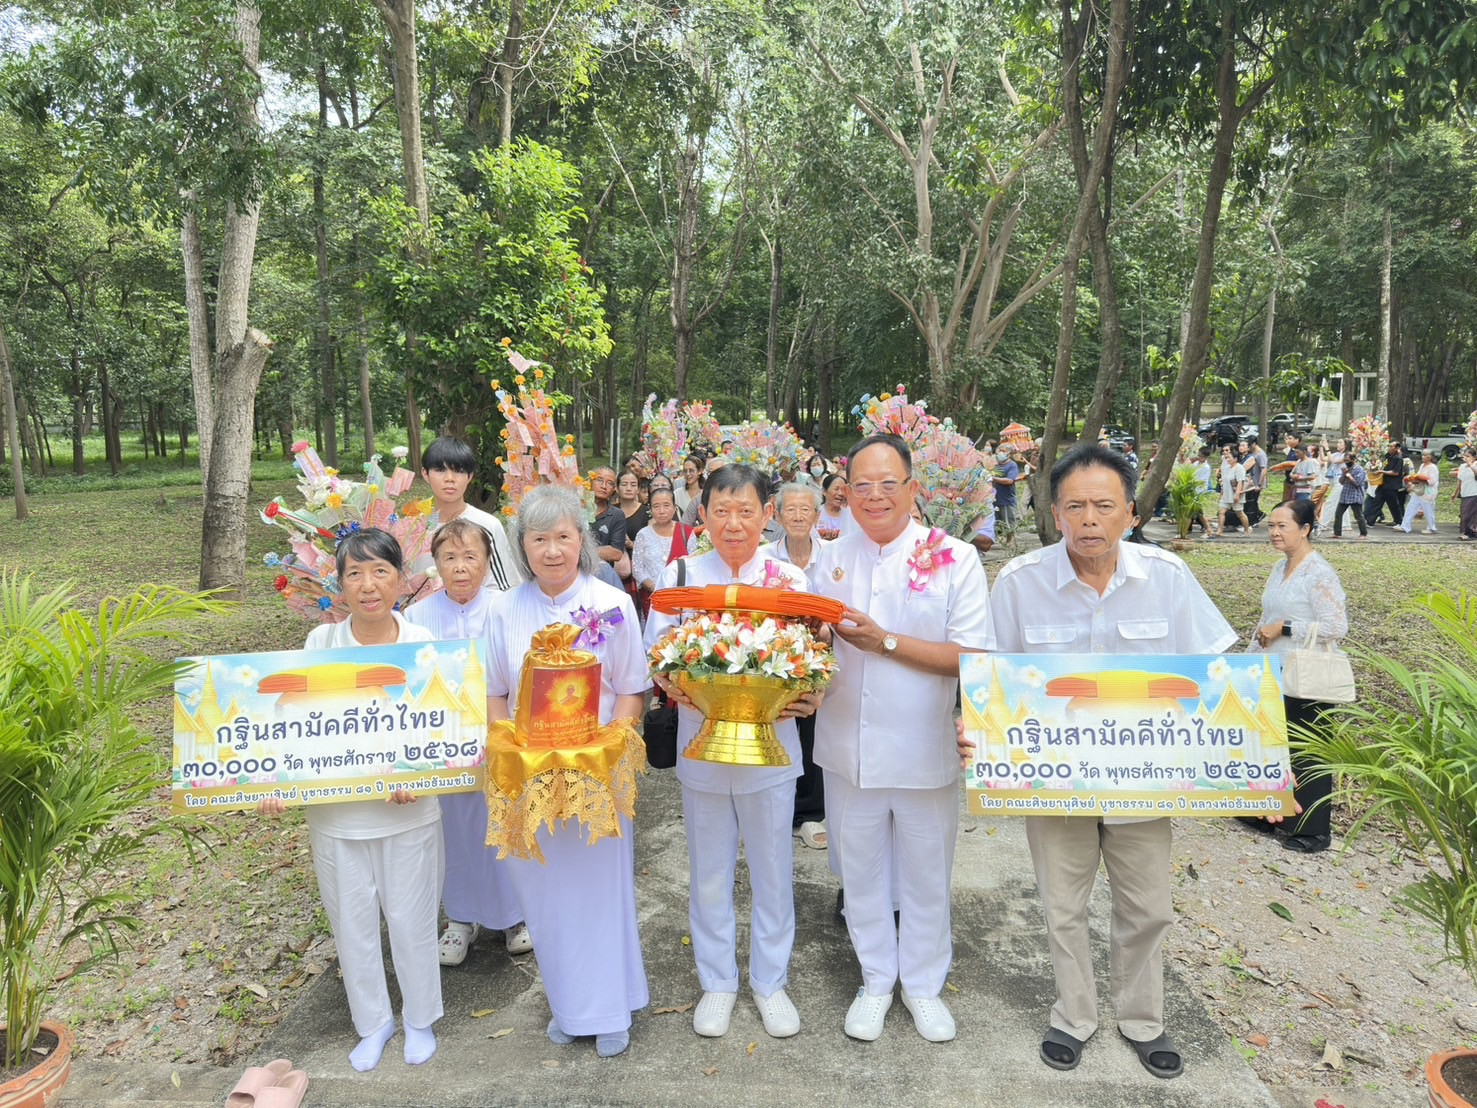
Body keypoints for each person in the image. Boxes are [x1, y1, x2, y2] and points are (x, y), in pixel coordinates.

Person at [965, 443, 1236, 1080]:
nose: (1090, 519)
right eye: (1076, 506)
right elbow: (992, 678)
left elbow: (1216, 672)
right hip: (1052, 778)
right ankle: (1074, 1016)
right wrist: (976, 730)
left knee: (1149, 906)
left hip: (1146, 778)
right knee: (1063, 904)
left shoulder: (1167, 578)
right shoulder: (1020, 582)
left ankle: (1143, 1019)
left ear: (1131, 512)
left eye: (1104, 506)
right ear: (1054, 512)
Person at [810, 434, 989, 1044]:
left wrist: (885, 640)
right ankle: (876, 980)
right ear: (846, 493)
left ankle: (923, 986)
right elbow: (806, 646)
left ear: (914, 489)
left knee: (925, 875)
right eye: (862, 485)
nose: (875, 496)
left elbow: (971, 657)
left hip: (921, 749)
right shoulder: (829, 560)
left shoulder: (955, 557)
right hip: (845, 747)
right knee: (859, 874)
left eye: (889, 484)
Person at [642, 464, 821, 1041]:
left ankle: (770, 982)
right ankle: (718, 983)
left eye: (747, 510)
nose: (734, 523)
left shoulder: (788, 580)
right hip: (702, 748)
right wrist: (674, 682)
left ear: (768, 515)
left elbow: (814, 657)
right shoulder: (682, 575)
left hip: (772, 752)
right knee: (709, 874)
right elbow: (656, 655)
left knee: (773, 872)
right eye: (722, 510)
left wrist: (810, 692)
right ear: (704, 514)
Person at [258, 529, 443, 1072]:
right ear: (338, 585)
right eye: (355, 574)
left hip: (409, 810)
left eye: (380, 571)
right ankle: (373, 1022)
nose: (368, 585)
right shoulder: (320, 647)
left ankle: (418, 1018)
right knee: (352, 923)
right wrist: (272, 781)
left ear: (401, 580)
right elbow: (293, 723)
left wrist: (422, 773)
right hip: (337, 817)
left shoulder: (423, 641)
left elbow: (440, 725)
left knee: (411, 921)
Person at [487, 485, 650, 1056]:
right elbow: (495, 695)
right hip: (529, 780)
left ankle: (608, 1011)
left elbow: (632, 691)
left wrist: (608, 750)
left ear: (581, 540)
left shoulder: (612, 605)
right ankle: (570, 1004)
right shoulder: (502, 609)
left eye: (562, 536)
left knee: (600, 893)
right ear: (521, 546)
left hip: (594, 778)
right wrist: (510, 753)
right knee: (547, 899)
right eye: (538, 539)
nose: (552, 550)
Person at [404, 520, 532, 967]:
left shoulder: (508, 606)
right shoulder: (417, 616)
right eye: (450, 558)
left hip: (502, 735)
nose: (460, 568)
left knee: (507, 822)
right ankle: (460, 919)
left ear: (487, 560)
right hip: (446, 747)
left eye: (470, 556)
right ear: (435, 564)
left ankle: (517, 915)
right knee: (454, 831)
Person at [1246, 499, 1349, 855]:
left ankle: (1311, 829)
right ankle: (1268, 812)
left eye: (1282, 526)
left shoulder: (1319, 573)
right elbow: (1268, 618)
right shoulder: (1280, 567)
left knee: (1307, 750)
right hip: (1273, 669)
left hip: (1307, 674)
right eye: (1271, 526)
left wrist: (1286, 627)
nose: (1274, 532)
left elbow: (1337, 626)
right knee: (1274, 744)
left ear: (1304, 529)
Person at [762, 483, 826, 850]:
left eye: (807, 510)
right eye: (792, 510)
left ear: (817, 516)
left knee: (816, 730)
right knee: (784, 724)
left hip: (826, 653)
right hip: (779, 656)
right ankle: (782, 805)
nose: (799, 516)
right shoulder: (766, 559)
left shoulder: (834, 557)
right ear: (779, 515)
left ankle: (810, 811)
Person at [419, 436, 520, 590]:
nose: (449, 479)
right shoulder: (414, 528)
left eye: (459, 471)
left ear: (470, 476)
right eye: (440, 470)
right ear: (425, 474)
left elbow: (505, 587)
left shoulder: (486, 525)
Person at [632, 485, 695, 600]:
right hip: (653, 597)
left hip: (681, 597)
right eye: (656, 506)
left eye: (666, 505)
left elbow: (694, 565)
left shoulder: (686, 532)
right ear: (650, 509)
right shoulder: (643, 534)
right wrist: (655, 588)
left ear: (674, 508)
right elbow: (637, 570)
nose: (661, 511)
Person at [588, 466, 630, 586]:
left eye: (609, 483)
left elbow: (616, 553)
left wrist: (582, 550)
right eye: (599, 480)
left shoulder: (616, 515)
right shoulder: (576, 508)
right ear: (590, 482)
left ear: (613, 489)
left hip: (602, 577)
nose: (604, 486)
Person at [1329, 450, 1369, 539]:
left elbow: (1357, 482)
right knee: (1338, 513)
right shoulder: (1345, 469)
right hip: (1345, 495)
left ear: (1353, 460)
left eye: (1348, 460)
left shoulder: (1359, 469)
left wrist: (1347, 474)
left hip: (1355, 495)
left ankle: (1363, 533)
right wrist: (1344, 474)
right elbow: (1341, 482)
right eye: (1345, 461)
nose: (1346, 463)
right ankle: (1337, 533)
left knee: (1358, 516)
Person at [1398, 449, 1440, 534]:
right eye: (1422, 455)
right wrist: (1412, 482)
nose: (1423, 457)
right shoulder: (1422, 466)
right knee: (1411, 507)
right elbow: (1417, 477)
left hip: (1428, 492)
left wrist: (1420, 479)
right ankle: (1405, 526)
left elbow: (1432, 481)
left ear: (1430, 457)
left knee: (1428, 510)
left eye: (1425, 455)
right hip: (1419, 490)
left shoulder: (1433, 468)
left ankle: (1431, 528)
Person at [1213, 444, 1249, 537]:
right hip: (1226, 494)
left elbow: (1240, 482)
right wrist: (1222, 492)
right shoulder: (1227, 468)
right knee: (1221, 511)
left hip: (1235, 494)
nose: (1227, 459)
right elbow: (1224, 481)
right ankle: (1219, 531)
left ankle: (1246, 530)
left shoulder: (1239, 468)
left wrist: (1237, 494)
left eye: (1229, 458)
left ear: (1235, 458)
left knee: (1240, 513)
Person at [1367, 445, 1405, 526]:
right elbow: (1383, 466)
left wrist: (1382, 471)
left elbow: (1395, 472)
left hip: (1392, 485)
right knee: (1377, 501)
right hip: (1383, 483)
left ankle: (1399, 521)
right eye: (1389, 446)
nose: (1389, 448)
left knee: (1393, 504)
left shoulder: (1399, 459)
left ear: (1397, 448)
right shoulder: (1388, 457)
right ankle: (1370, 521)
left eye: (1392, 447)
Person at [616, 470, 649, 549]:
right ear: (617, 488)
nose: (628, 488)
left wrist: (632, 545)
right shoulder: (610, 511)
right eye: (624, 484)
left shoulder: (648, 512)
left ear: (638, 489)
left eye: (633, 485)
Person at [819, 473, 852, 540]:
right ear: (824, 491)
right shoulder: (815, 513)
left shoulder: (851, 514)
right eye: (836, 489)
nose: (840, 493)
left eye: (843, 490)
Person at [1243, 437, 1268, 527]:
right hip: (1251, 481)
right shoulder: (1253, 453)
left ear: (1254, 444)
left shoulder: (1261, 454)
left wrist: (1260, 484)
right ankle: (1259, 515)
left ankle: (1254, 521)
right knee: (1251, 501)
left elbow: (1264, 469)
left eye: (1249, 445)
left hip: (1257, 482)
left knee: (1253, 501)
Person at [992, 448, 1020, 527]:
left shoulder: (1012, 465)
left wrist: (993, 478)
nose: (1000, 453)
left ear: (1009, 453)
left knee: (1008, 525)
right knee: (996, 525)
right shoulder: (995, 465)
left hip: (1006, 500)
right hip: (994, 499)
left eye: (1003, 451)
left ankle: (1010, 539)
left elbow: (1009, 481)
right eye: (999, 451)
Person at [1454, 447, 1477, 540]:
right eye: (1464, 456)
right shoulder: (1462, 467)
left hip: (1474, 492)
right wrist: (1455, 494)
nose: (1466, 458)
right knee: (1464, 512)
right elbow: (1460, 481)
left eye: (1468, 456)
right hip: (1465, 492)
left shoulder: (1475, 465)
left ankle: (1468, 532)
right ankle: (1470, 532)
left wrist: (1470, 465)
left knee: (1469, 513)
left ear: (1474, 457)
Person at [674, 453, 705, 519]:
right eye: (685, 471)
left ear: (699, 471)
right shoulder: (677, 494)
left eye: (691, 470)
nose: (688, 474)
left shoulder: (707, 492)